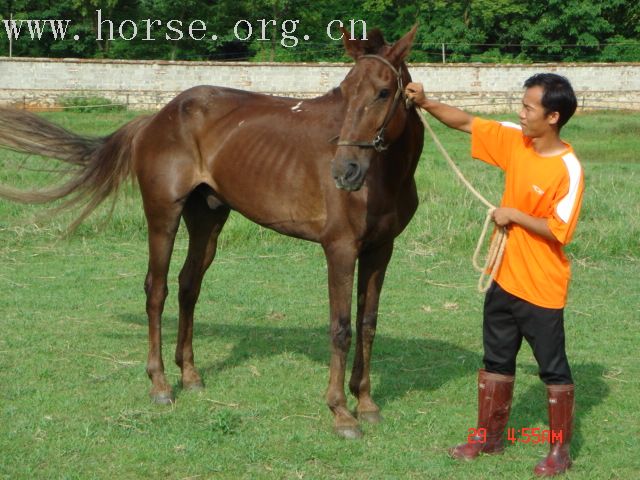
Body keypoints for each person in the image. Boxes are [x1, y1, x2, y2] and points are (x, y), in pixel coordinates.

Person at [405, 73, 583, 477]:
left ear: (552, 116)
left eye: (528, 108)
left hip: (541, 286)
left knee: (553, 368)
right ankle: (489, 437)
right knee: (496, 360)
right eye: (522, 105)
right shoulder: (516, 141)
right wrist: (426, 102)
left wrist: (515, 215)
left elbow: (560, 230)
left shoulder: (568, 169)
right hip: (502, 276)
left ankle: (559, 452)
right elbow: (466, 122)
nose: (520, 114)